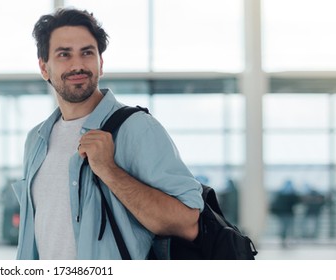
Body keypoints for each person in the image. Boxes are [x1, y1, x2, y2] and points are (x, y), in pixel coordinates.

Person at [13, 8, 203, 260]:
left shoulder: (137, 128)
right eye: (64, 54)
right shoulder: (36, 140)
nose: (78, 64)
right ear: (44, 67)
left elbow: (187, 223)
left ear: (101, 63)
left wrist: (109, 170)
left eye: (87, 53)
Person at [270, 180, 299, 247]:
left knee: (284, 227)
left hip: (282, 214)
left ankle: (284, 240)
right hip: (288, 213)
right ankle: (287, 240)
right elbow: (296, 202)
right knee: (289, 228)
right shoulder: (292, 194)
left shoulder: (280, 194)